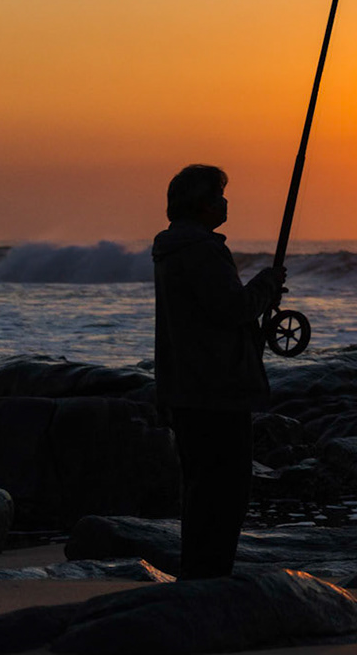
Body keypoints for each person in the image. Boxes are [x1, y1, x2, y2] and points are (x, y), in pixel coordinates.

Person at [152, 164, 284, 579]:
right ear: (204, 203)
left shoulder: (171, 248)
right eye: (221, 196)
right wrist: (266, 285)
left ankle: (198, 573)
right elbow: (233, 309)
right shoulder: (203, 250)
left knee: (200, 488)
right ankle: (212, 578)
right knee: (227, 490)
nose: (226, 203)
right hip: (218, 391)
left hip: (186, 388)